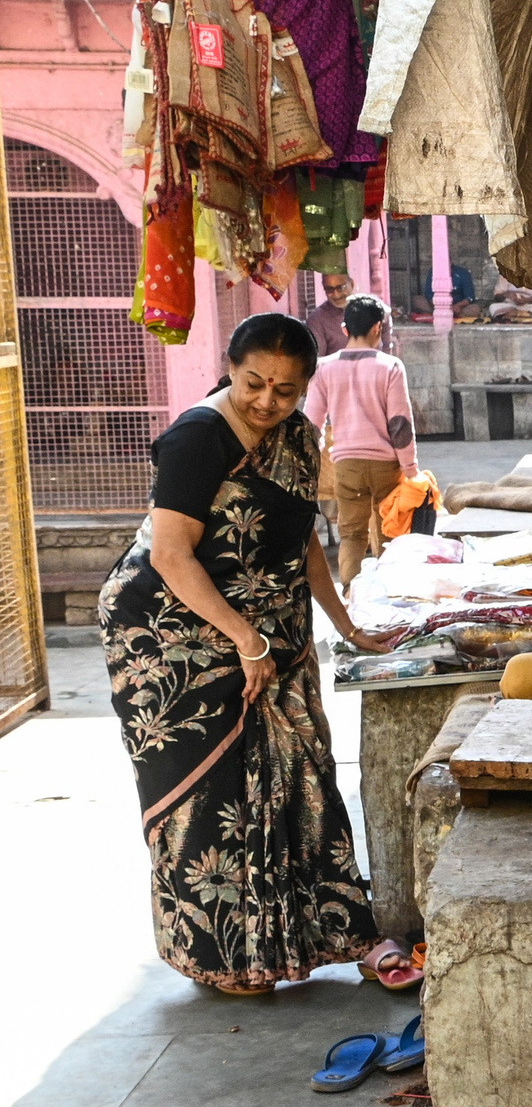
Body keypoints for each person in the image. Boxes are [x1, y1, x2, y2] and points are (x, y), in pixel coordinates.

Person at [97, 312, 409, 996]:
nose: (267, 401)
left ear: (305, 388)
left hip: (265, 630)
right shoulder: (197, 439)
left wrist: (346, 627)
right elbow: (171, 555)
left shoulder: (296, 439)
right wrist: (245, 639)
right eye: (254, 383)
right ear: (230, 370)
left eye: (286, 389)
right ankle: (224, 957)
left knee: (298, 772)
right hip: (172, 638)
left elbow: (301, 545)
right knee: (209, 798)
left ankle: (325, 933)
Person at [304, 294, 419, 586]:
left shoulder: (323, 368)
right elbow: (400, 425)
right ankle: (389, 597)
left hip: (347, 466)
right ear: (378, 328)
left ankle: (351, 599)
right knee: (389, 533)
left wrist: (309, 463)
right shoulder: (390, 367)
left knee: (351, 535)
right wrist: (411, 470)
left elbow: (311, 424)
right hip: (386, 467)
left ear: (345, 329)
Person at [304, 273, 351, 358]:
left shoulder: (371, 311)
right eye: (329, 289)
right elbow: (317, 362)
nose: (336, 294)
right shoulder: (317, 320)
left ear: (351, 284)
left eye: (341, 288)